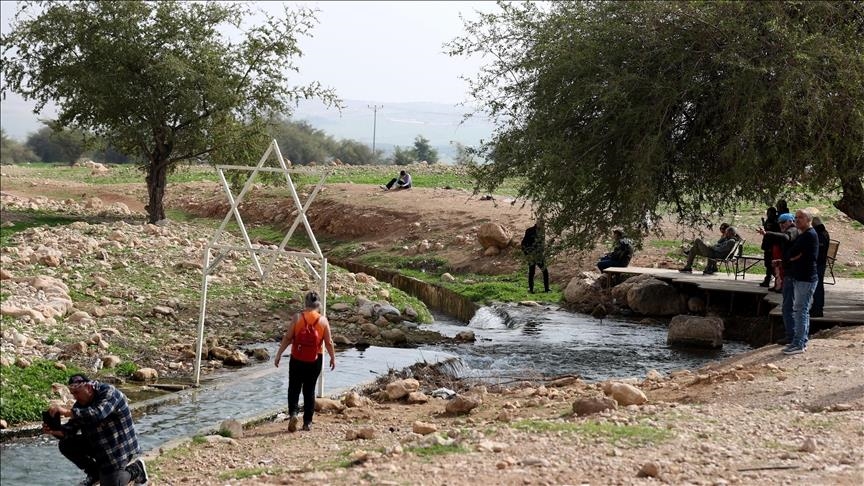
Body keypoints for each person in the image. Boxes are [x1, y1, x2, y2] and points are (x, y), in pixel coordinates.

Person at [43, 374, 148, 486]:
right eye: (73, 394)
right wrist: (55, 431)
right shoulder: (80, 405)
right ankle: (94, 474)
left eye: (77, 393)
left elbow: (97, 413)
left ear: (88, 388)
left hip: (119, 449)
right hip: (100, 446)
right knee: (65, 444)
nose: (75, 397)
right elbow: (70, 429)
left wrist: (67, 412)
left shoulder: (109, 392)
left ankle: (137, 469)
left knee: (113, 483)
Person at [274, 291, 336, 432]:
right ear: (318, 304)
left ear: (305, 304)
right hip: (315, 359)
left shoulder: (297, 318)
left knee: (294, 388)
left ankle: (294, 414)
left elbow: (288, 338)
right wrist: (332, 357)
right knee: (309, 390)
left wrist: (278, 354)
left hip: (297, 358)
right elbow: (328, 342)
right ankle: (307, 422)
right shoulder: (323, 321)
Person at [781, 209, 819, 355]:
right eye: (796, 218)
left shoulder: (808, 235)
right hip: (800, 277)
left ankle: (798, 344)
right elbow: (791, 253)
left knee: (800, 311)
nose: (797, 220)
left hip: (806, 278)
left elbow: (793, 253)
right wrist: (791, 257)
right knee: (801, 311)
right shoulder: (804, 234)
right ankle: (800, 340)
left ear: (808, 219)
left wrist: (792, 257)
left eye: (800, 218)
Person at [758, 212, 798, 292]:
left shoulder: (793, 230)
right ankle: (778, 286)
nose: (781, 225)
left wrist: (767, 233)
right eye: (780, 223)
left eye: (783, 222)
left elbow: (786, 237)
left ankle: (781, 287)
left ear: (790, 221)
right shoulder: (787, 230)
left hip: (791, 262)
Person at [520, 221, 549, 293]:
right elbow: (523, 244)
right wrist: (527, 254)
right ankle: (531, 289)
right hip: (531, 255)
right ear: (537, 223)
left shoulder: (542, 231)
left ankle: (546, 289)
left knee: (545, 271)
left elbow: (542, 243)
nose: (543, 226)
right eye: (542, 224)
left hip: (539, 255)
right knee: (532, 272)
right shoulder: (529, 231)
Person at [810, 216, 830, 318]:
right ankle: (816, 307)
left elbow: (819, 251)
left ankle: (817, 309)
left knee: (817, 288)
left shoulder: (819, 235)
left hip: (818, 264)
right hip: (820, 264)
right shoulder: (824, 233)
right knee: (818, 287)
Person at [759, 207, 780, 287]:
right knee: (768, 264)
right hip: (767, 244)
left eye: (770, 213)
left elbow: (773, 233)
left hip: (772, 246)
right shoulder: (769, 220)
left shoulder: (776, 222)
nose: (768, 215)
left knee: (771, 265)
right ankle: (769, 280)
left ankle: (771, 280)